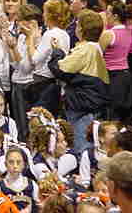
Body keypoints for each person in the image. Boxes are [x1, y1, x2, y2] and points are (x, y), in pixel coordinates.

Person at [49, 9, 110, 155]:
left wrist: (56, 52)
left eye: (77, 24)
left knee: (81, 147)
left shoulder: (86, 48)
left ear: (81, 29)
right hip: (88, 103)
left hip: (82, 105)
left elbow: (61, 69)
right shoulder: (94, 47)